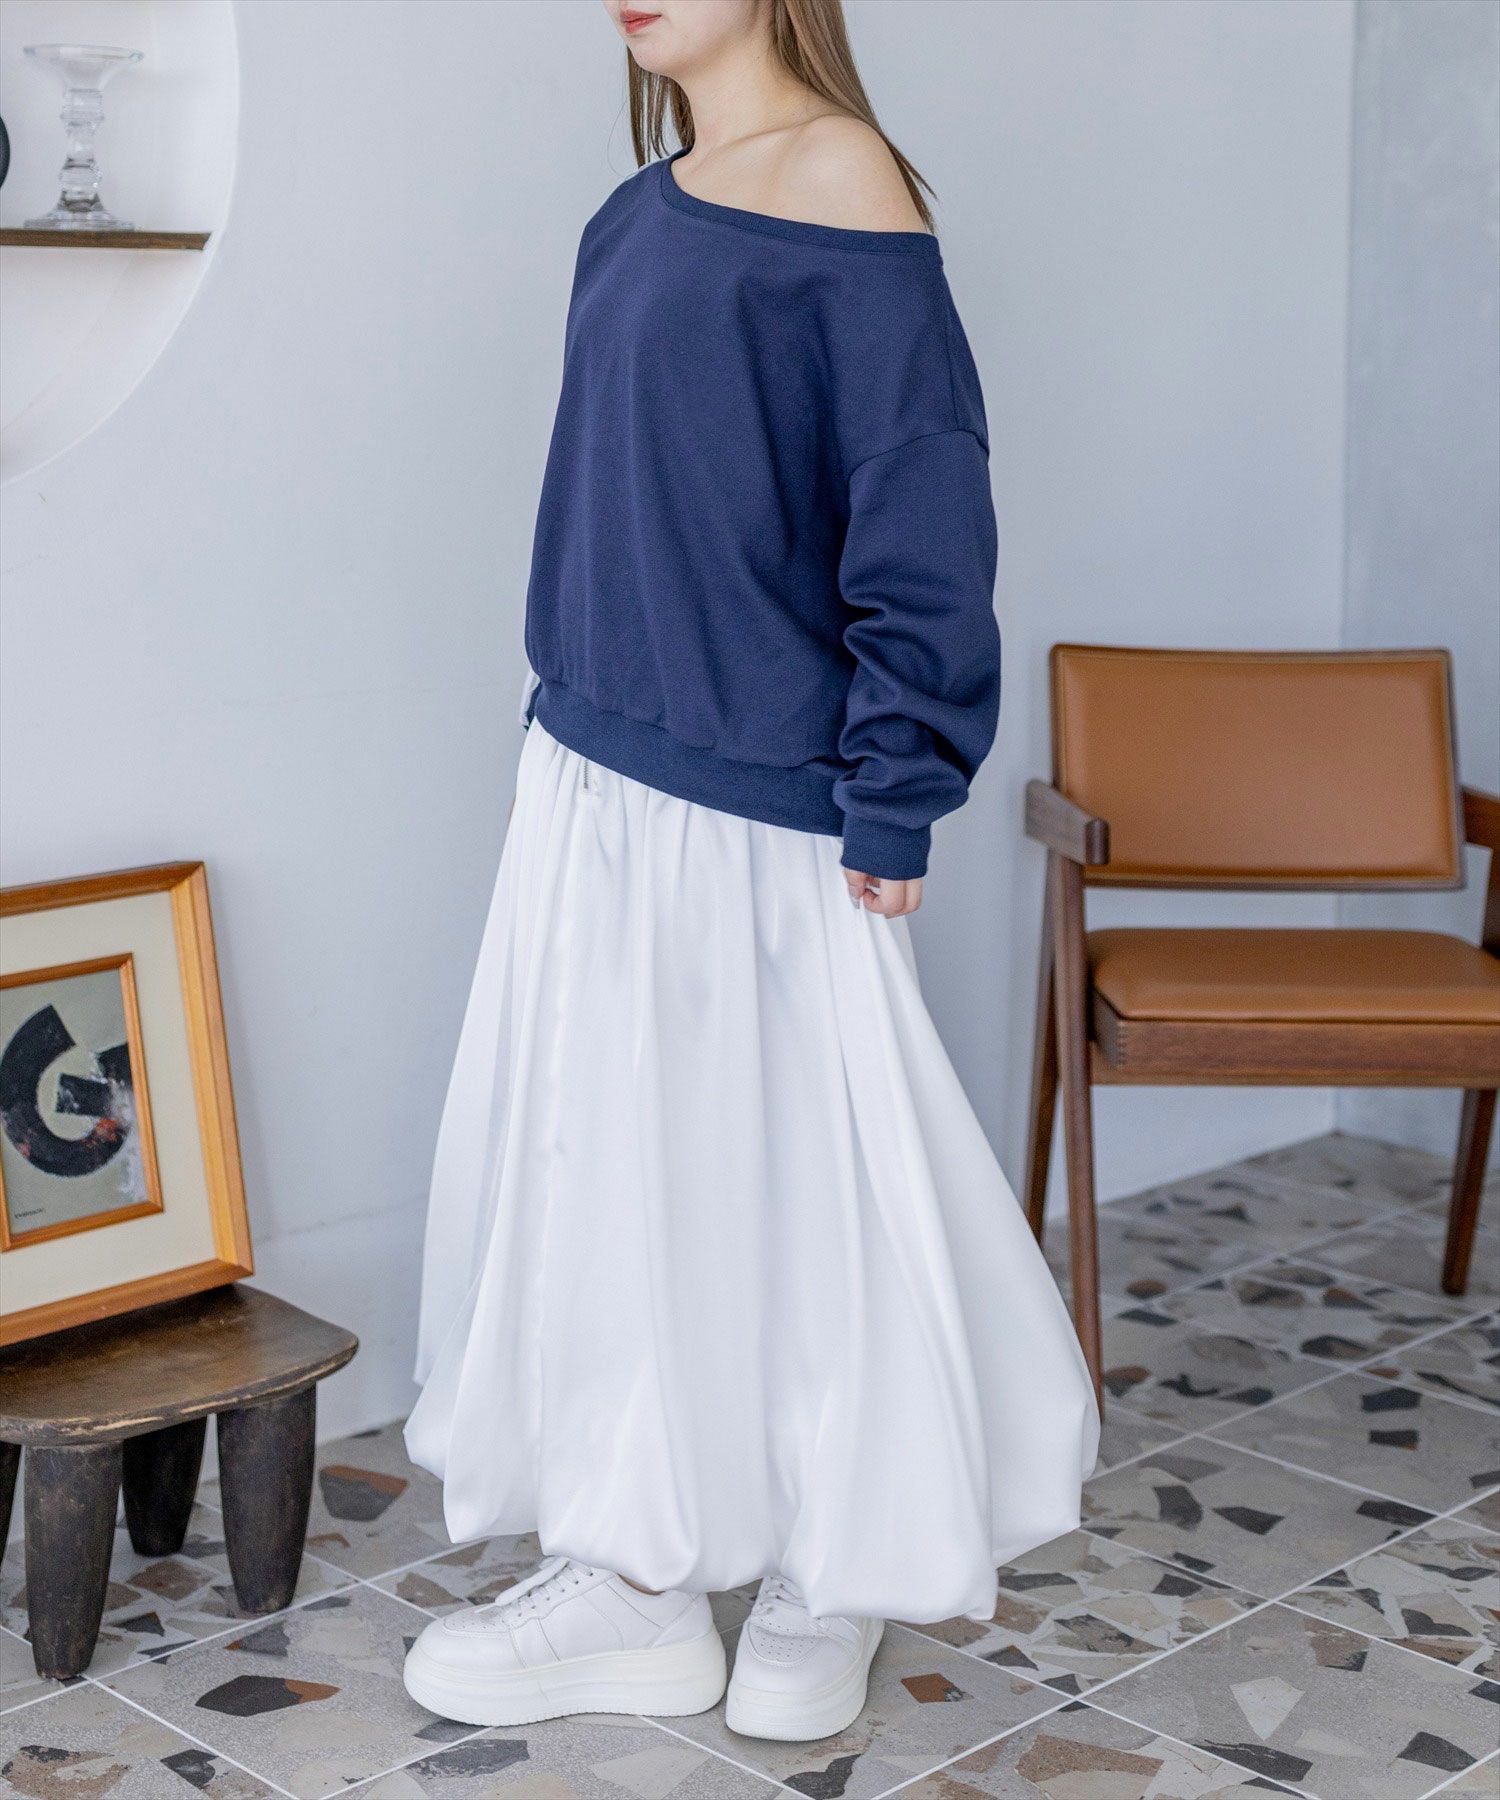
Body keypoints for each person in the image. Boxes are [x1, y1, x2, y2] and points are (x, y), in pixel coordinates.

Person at [402, 0, 1098, 1743]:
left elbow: (922, 496)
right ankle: (637, 1580)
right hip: (593, 777)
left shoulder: (847, 178)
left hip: (770, 797)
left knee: (809, 1191)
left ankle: (832, 1564)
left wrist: (899, 783)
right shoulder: (629, 216)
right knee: (616, 1185)